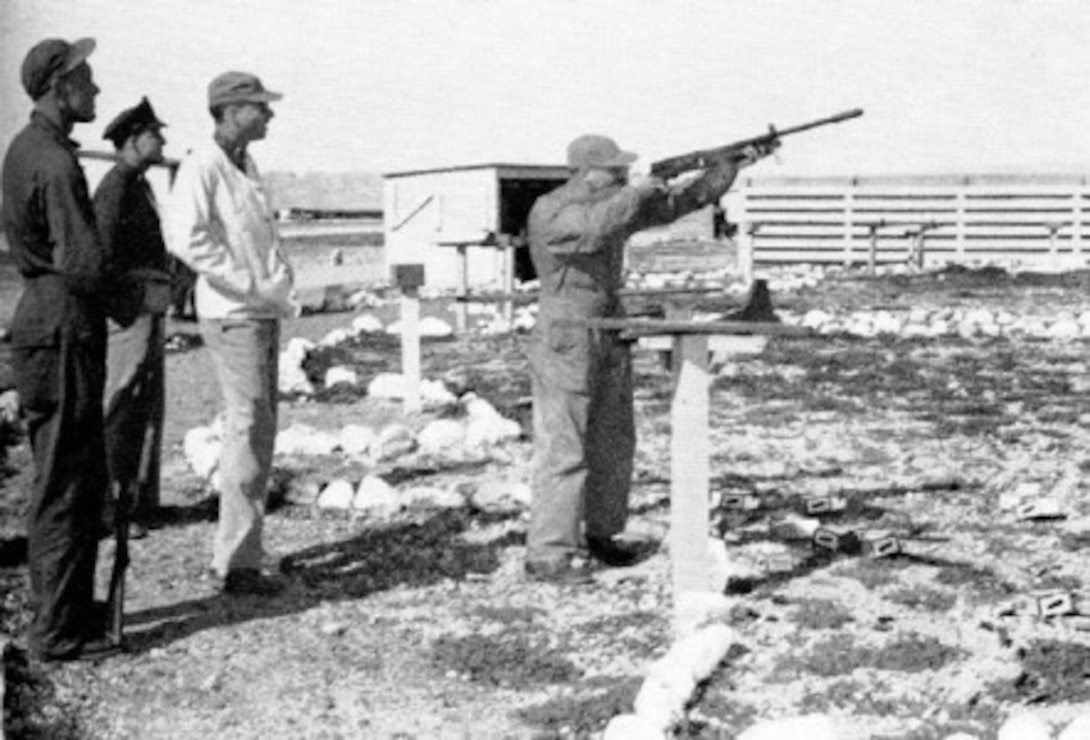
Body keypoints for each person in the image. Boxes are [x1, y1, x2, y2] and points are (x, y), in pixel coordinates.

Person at [525, 133, 775, 583]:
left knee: (613, 442)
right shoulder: (553, 209)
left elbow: (681, 203)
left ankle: (600, 534)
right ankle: (549, 554)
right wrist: (637, 190)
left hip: (607, 327)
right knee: (564, 447)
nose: (623, 175)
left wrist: (727, 167)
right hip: (566, 332)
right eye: (615, 169)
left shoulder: (613, 202)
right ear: (587, 171)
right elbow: (593, 230)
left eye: (625, 171)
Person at [1, 37, 121, 660]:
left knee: (63, 473)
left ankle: (66, 616)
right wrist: (135, 292)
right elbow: (84, 263)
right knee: (67, 480)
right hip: (63, 320)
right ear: (59, 87)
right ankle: (56, 630)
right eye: (87, 81)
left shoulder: (27, 150)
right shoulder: (54, 161)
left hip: (44, 318)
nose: (95, 91)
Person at [165, 71, 296, 596]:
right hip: (234, 311)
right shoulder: (203, 165)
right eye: (259, 107)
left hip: (257, 311)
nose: (269, 115)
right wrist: (243, 280)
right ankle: (237, 564)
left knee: (258, 428)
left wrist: (274, 283)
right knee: (248, 428)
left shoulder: (244, 165)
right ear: (231, 109)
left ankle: (242, 550)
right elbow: (184, 236)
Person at [93, 97, 173, 540]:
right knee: (120, 404)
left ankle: (136, 501)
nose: (161, 141)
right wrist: (127, 308)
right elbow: (100, 258)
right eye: (154, 134)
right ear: (132, 140)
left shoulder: (138, 185)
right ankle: (111, 506)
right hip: (131, 314)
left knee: (142, 405)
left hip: (147, 309)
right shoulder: (116, 187)